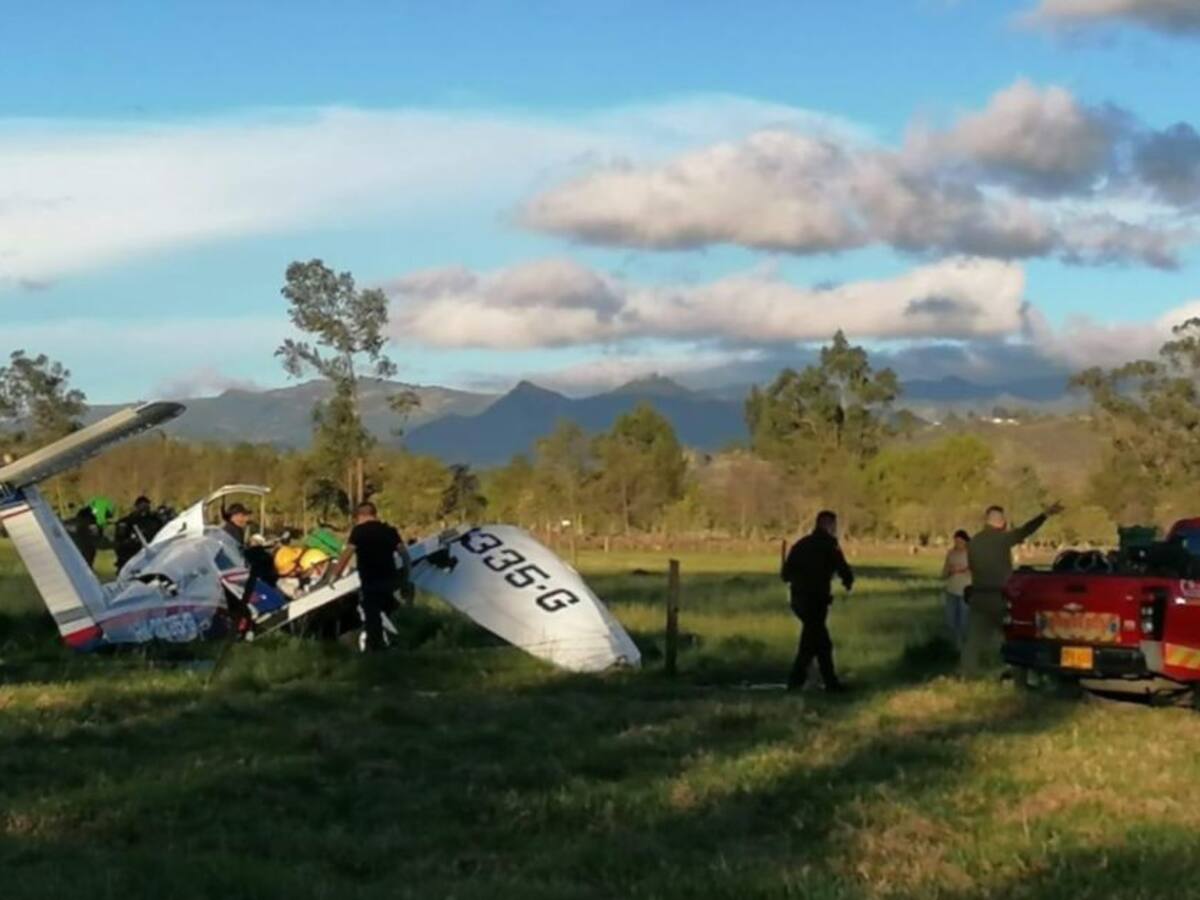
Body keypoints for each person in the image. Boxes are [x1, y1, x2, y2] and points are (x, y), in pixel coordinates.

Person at [962, 502, 1064, 677]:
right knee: (1014, 636)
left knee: (973, 640)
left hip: (978, 596)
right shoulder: (1002, 539)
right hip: (999, 597)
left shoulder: (974, 542)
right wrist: (1044, 515)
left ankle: (967, 674)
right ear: (1001, 522)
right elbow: (1025, 531)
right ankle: (1015, 673)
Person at [781, 510, 855, 692]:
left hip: (799, 600)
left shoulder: (801, 544)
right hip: (816, 601)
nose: (834, 529)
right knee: (816, 643)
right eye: (833, 525)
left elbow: (786, 575)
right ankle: (803, 682)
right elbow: (842, 567)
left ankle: (818, 682)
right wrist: (848, 580)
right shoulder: (829, 545)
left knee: (816, 641)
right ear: (827, 525)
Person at [328, 502, 412, 652]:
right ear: (374, 514)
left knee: (371, 614)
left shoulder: (359, 531)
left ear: (360, 516)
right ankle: (396, 639)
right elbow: (404, 554)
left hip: (370, 579)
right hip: (389, 578)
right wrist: (406, 577)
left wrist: (334, 575)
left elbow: (346, 554)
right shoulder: (389, 530)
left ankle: (375, 648)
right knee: (387, 607)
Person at [113, 496, 164, 569]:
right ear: (136, 507)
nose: (144, 509)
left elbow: (162, 536)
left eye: (146, 506)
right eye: (142, 506)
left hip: (151, 558)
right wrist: (131, 542)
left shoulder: (155, 521)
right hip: (130, 556)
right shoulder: (127, 521)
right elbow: (119, 542)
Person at [942, 530, 972, 648]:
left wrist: (962, 569)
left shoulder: (971, 554)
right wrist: (950, 571)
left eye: (960, 541)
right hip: (951, 590)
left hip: (965, 591)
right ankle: (953, 644)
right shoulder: (951, 553)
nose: (957, 544)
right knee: (950, 620)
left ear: (965, 541)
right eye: (955, 541)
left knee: (963, 620)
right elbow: (944, 572)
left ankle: (964, 645)